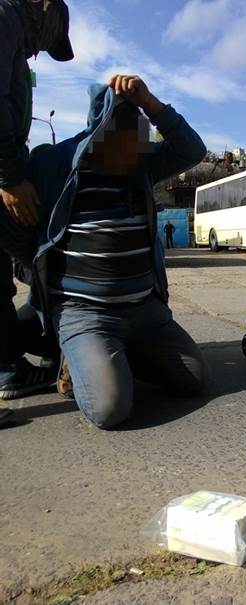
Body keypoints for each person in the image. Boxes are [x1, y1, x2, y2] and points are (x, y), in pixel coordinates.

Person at [22, 74, 208, 429]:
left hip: (145, 311)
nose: (137, 146)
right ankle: (75, 355)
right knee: (110, 409)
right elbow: (13, 211)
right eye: (127, 136)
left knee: (193, 380)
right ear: (99, 132)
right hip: (85, 313)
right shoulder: (59, 163)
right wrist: (30, 266)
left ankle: (112, 358)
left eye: (140, 135)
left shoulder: (142, 165)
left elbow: (192, 151)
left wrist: (150, 103)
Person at [0, 0, 74, 424]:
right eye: (52, 39)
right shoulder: (5, 17)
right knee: (40, 257)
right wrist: (9, 177)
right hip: (4, 175)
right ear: (46, 11)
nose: (41, 50)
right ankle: (51, 347)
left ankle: (9, 368)